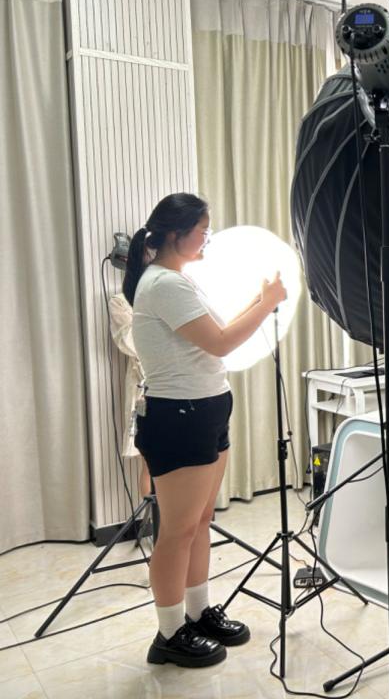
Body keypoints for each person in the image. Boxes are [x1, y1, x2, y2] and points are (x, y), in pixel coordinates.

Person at [123, 193, 287, 668]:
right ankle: (169, 633)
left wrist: (260, 300)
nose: (208, 239)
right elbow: (221, 343)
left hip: (206, 407)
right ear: (177, 234)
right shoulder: (163, 284)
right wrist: (267, 304)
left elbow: (215, 336)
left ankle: (196, 614)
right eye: (203, 231)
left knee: (198, 522)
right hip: (179, 415)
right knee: (177, 530)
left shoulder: (179, 280)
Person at [109, 292, 151, 499]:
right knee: (150, 460)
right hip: (144, 384)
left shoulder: (165, 293)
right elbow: (130, 341)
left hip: (178, 381)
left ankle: (181, 516)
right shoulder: (120, 301)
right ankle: (154, 516)